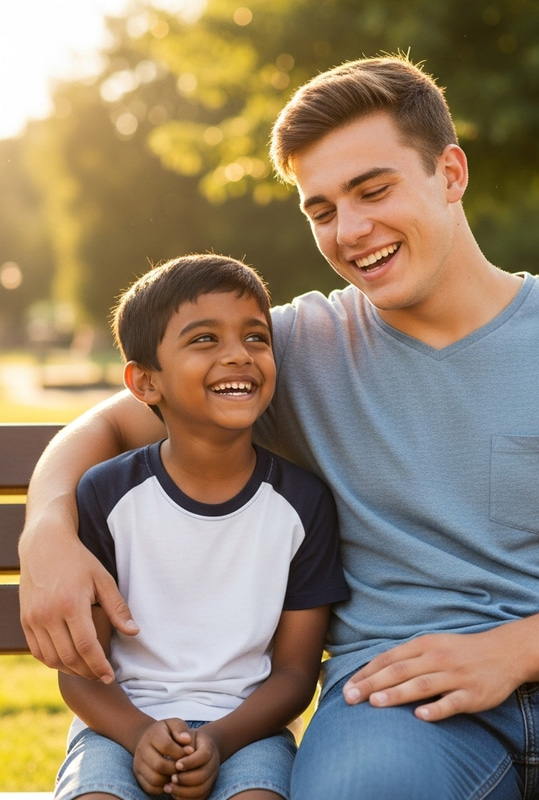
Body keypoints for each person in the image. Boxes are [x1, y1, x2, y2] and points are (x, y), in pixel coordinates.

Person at [20, 56, 539, 799]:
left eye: (373, 190)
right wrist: (47, 532)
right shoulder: (288, 350)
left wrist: (506, 653)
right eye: (322, 209)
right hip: (396, 698)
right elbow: (106, 427)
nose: (350, 229)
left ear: (450, 173)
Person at [51, 254, 349, 800]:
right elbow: (80, 671)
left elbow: (294, 675)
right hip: (118, 727)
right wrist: (139, 734)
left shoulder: (303, 504)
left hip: (248, 731)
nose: (239, 354)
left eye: (256, 337)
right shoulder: (106, 495)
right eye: (205, 339)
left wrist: (217, 739)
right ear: (146, 382)